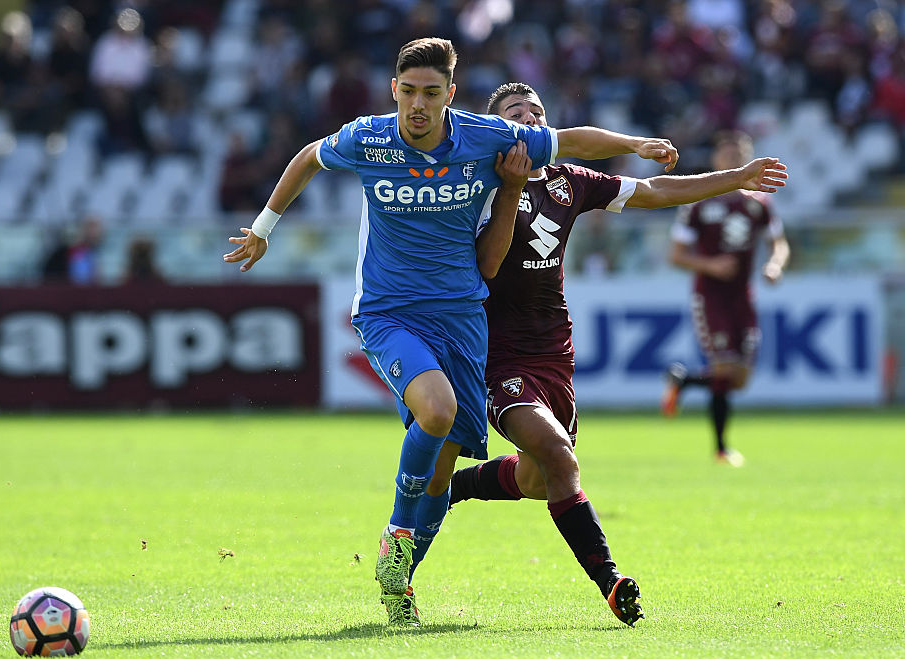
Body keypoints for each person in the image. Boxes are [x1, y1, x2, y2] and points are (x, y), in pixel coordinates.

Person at [223, 37, 679, 627]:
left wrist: (634, 144)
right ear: (394, 90)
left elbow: (572, 141)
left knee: (442, 471)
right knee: (435, 414)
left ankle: (398, 589)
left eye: (430, 93)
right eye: (408, 91)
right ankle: (395, 533)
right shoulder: (369, 138)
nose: (417, 104)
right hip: (389, 313)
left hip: (463, 319)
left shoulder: (483, 138)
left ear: (450, 95)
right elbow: (310, 155)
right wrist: (265, 226)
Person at [443, 83, 788, 627]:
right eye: (515, 113)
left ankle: (456, 486)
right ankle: (612, 582)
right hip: (495, 352)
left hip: (554, 351)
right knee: (560, 458)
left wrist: (736, 180)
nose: (529, 117)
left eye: (537, 111)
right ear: (496, 130)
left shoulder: (570, 182)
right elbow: (486, 266)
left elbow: (653, 192)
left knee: (538, 478)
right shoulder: (472, 183)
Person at [661, 131, 790, 466]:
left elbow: (779, 242)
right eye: (728, 155)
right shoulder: (700, 201)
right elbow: (676, 255)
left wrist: (774, 265)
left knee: (739, 379)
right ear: (716, 161)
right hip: (710, 296)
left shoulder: (760, 202)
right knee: (723, 369)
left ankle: (684, 380)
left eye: (740, 155)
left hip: (742, 296)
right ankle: (721, 449)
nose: (734, 160)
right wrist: (711, 265)